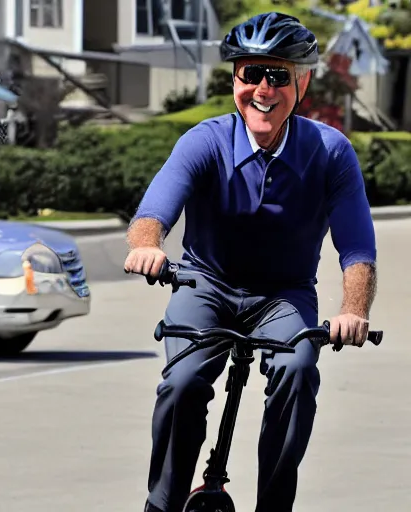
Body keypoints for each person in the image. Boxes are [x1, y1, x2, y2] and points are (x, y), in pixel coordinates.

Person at [124, 11, 378, 512]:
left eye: (279, 75)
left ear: (301, 82)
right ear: (234, 79)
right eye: (250, 73)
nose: (264, 88)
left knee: (299, 368)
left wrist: (354, 310)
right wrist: (148, 244)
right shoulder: (205, 141)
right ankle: (162, 504)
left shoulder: (330, 153)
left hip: (284, 295)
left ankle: (274, 507)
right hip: (204, 285)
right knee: (182, 382)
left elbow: (357, 249)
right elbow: (153, 212)